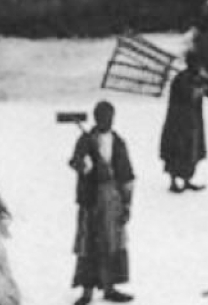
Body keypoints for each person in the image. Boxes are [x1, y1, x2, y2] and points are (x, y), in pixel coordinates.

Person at [69, 101, 136, 304]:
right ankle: (87, 291)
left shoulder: (118, 142)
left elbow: (127, 175)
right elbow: (75, 161)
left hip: (112, 198)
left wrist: (126, 203)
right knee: (89, 243)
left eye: (109, 117)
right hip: (91, 198)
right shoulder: (86, 140)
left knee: (112, 243)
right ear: (95, 118)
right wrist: (85, 165)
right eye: (101, 117)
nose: (105, 121)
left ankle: (110, 287)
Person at [159, 52, 208, 192]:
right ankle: (173, 182)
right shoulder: (181, 78)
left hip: (192, 120)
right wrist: (205, 89)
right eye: (197, 63)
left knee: (191, 150)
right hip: (178, 121)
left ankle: (186, 181)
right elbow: (192, 93)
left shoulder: (197, 77)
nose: (200, 67)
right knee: (177, 149)